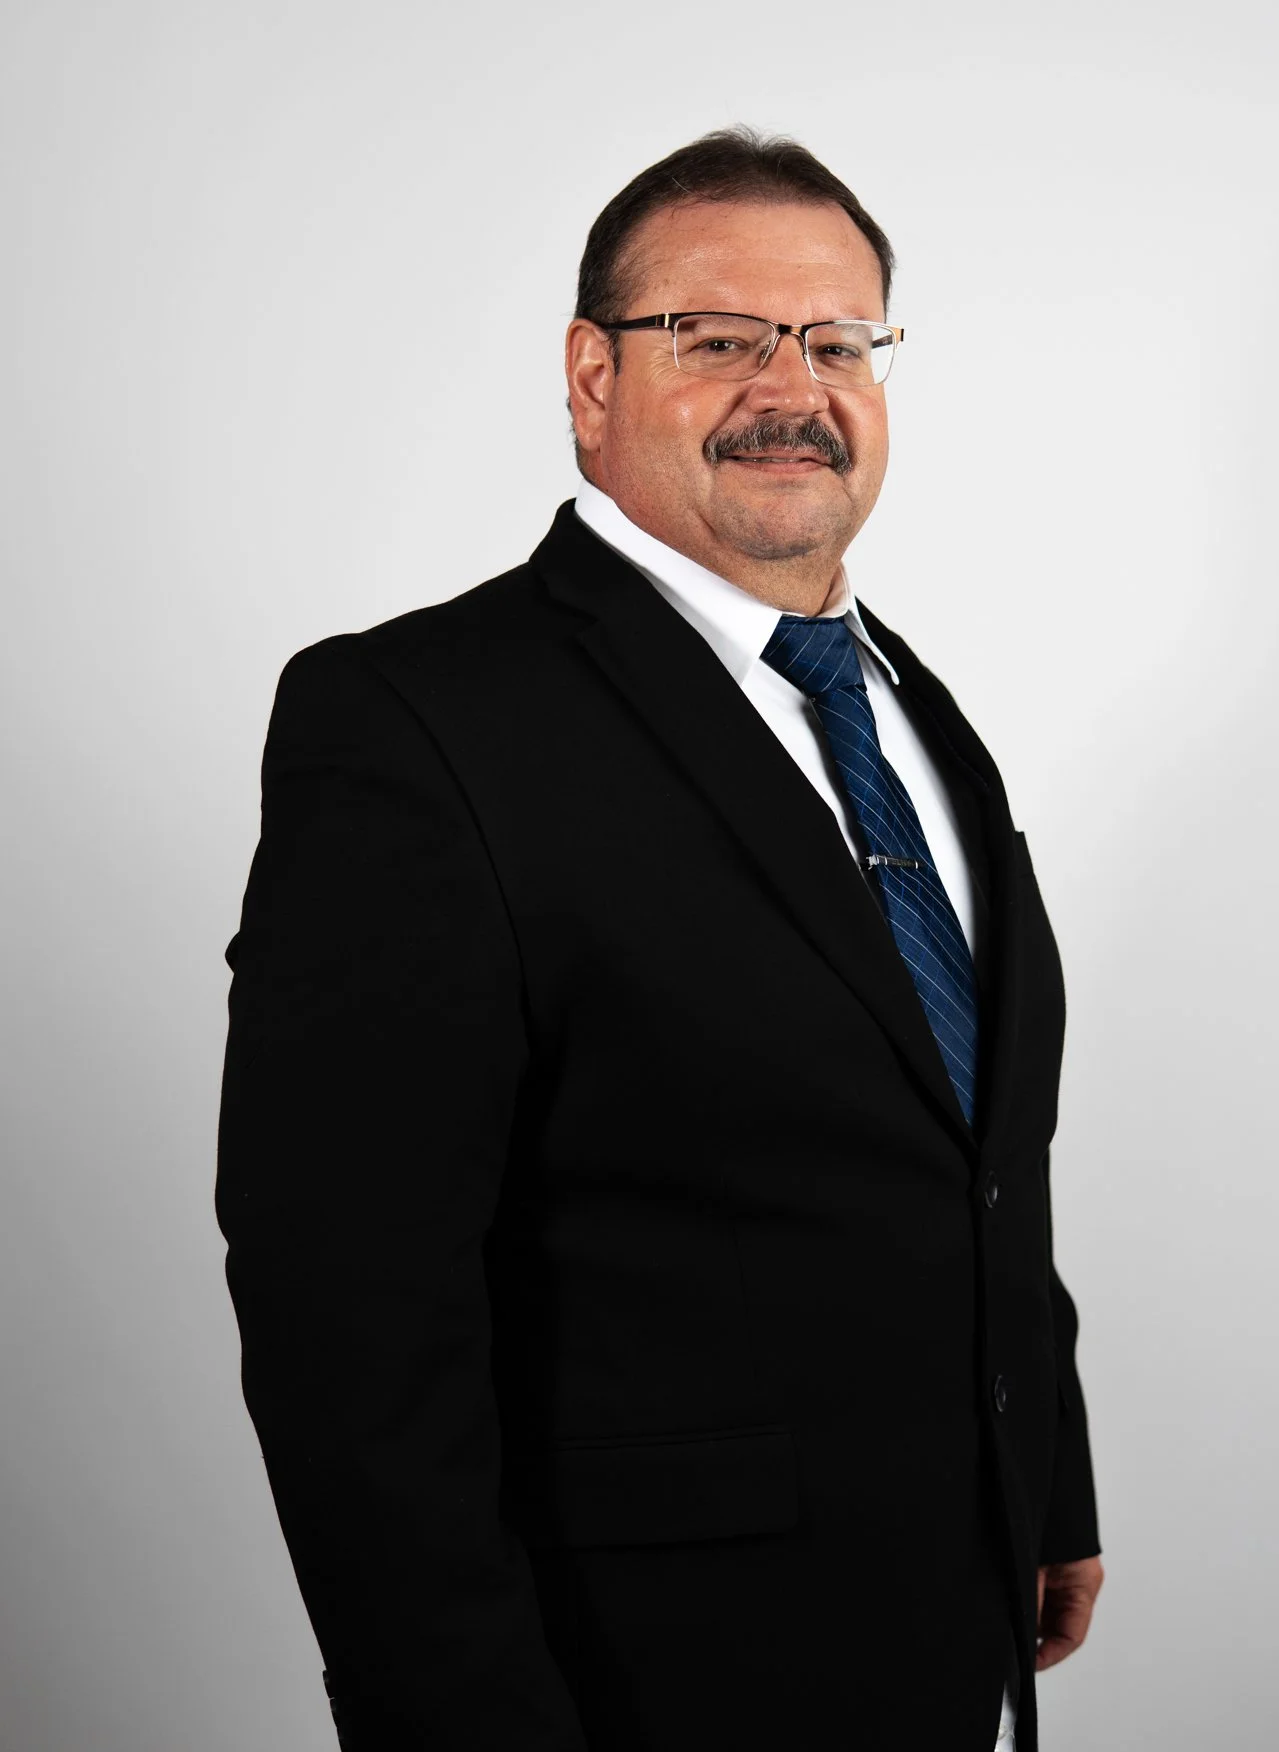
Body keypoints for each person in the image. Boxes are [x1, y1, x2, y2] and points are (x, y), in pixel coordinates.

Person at [216, 125, 1104, 1752]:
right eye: (716, 339)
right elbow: (349, 1304)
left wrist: (1040, 1469)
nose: (794, 385)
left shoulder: (913, 710)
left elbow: (975, 1144)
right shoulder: (415, 722)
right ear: (589, 377)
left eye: (838, 340)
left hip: (943, 1623)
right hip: (637, 1678)